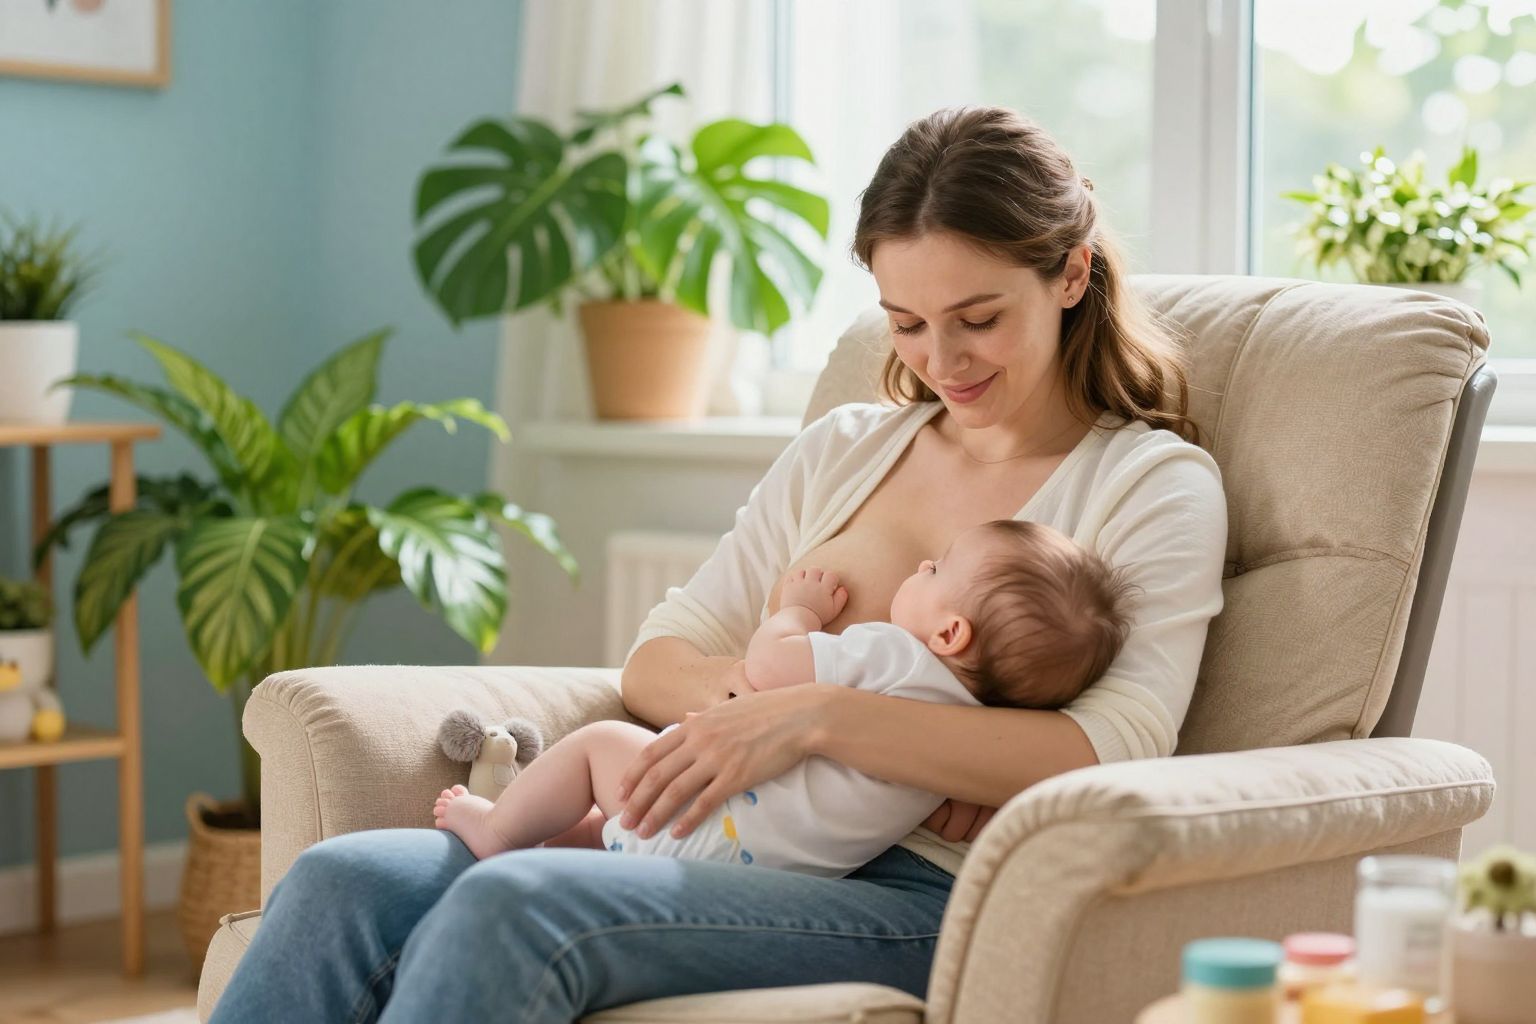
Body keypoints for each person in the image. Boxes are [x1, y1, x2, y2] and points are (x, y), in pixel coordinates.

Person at [209, 105, 1227, 1023]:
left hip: (928, 892)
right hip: (728, 837)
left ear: (1072, 274)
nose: (942, 361)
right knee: (343, 882)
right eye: (907, 323)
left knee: (515, 903)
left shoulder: (1148, 484)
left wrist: (816, 716)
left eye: (979, 319)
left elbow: (1114, 748)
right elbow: (661, 658)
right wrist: (767, 710)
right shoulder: (846, 449)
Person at [431, 519, 1136, 875]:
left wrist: (799, 613)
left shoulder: (893, 652)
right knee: (606, 815)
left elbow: (769, 670)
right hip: (765, 872)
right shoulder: (965, 740)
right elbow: (952, 818)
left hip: (702, 818)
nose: (923, 562)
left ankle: (495, 831)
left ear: (950, 632)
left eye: (939, 568)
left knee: (595, 751)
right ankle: (570, 841)